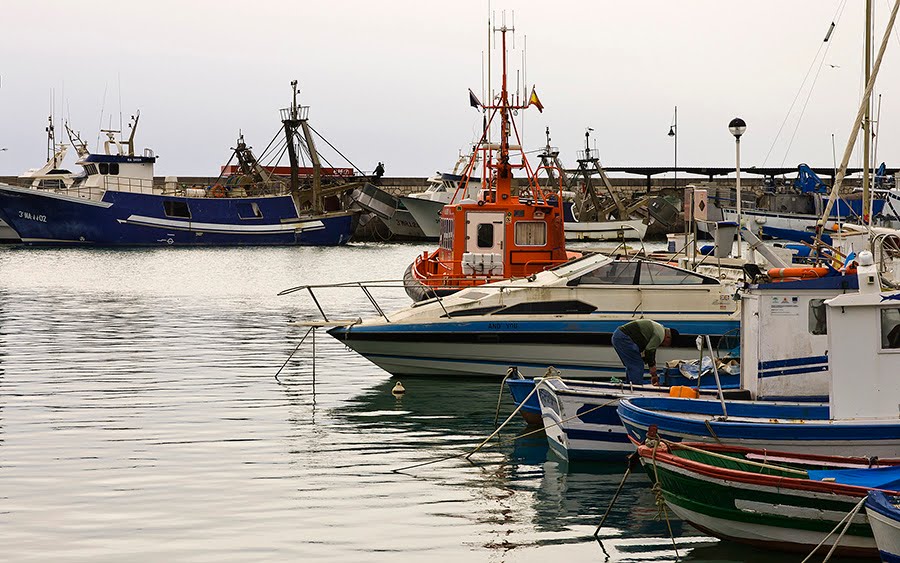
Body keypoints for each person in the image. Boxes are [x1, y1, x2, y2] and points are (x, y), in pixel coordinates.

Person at [611, 320, 678, 385]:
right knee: (637, 365)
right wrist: (653, 370)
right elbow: (650, 350)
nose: (665, 346)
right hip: (624, 338)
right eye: (668, 344)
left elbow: (646, 352)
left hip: (619, 336)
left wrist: (652, 372)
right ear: (668, 337)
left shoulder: (659, 328)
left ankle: (630, 386)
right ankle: (635, 389)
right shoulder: (660, 334)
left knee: (632, 365)